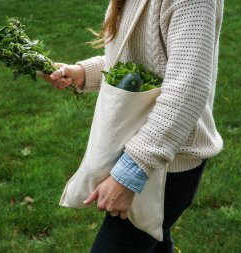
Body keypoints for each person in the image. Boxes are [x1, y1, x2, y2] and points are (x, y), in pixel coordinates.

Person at [40, 0, 224, 252]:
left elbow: (187, 90)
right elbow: (136, 60)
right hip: (141, 146)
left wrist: (129, 175)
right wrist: (82, 72)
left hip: (166, 167)